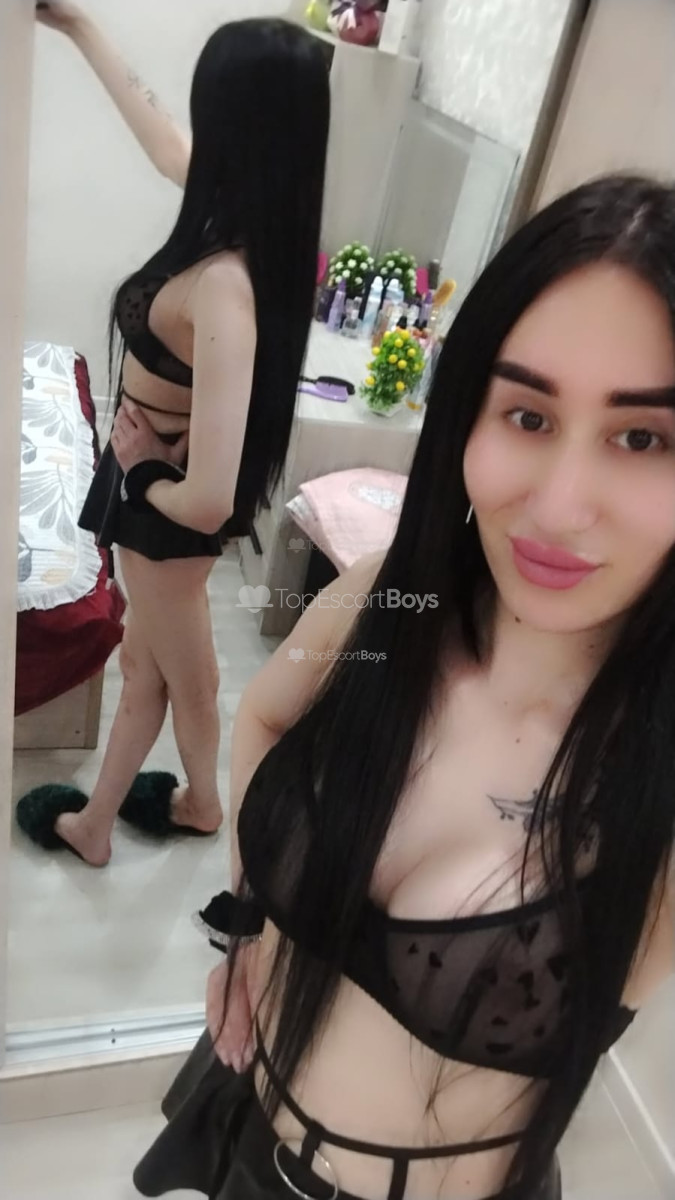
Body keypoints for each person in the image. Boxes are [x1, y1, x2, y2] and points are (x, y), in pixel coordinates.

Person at [134, 175, 674, 1200]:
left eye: (641, 437)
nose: (559, 506)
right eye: (526, 414)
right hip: (248, 1130)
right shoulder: (395, 604)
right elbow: (267, 713)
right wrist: (251, 922)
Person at [17, 2, 329, 865]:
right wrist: (77, 27)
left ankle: (202, 806)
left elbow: (210, 500)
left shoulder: (227, 283)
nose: (193, 122)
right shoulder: (238, 205)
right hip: (146, 486)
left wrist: (145, 468)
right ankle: (100, 824)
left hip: (165, 510)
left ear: (240, 124)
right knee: (146, 669)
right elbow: (157, 136)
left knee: (185, 679)